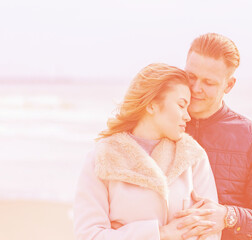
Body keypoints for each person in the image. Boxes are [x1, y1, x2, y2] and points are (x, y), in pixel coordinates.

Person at [73, 63, 221, 240]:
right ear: (152, 106)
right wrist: (162, 234)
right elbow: (88, 235)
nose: (187, 116)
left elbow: (209, 230)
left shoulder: (193, 157)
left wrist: (122, 232)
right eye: (181, 105)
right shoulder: (102, 158)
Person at [174, 33, 252, 240]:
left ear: (229, 85)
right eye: (191, 76)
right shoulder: (159, 124)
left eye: (208, 82)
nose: (196, 88)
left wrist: (228, 216)